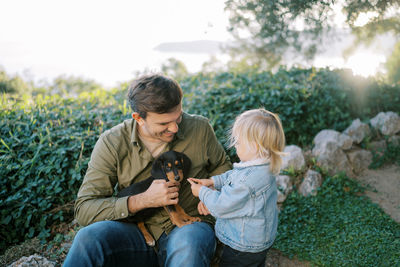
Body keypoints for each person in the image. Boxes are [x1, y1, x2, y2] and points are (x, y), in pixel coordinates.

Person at [63, 73, 232, 267]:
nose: (175, 128)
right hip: (134, 233)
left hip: (190, 226)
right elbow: (84, 209)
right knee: (88, 238)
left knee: (188, 245)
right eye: (163, 123)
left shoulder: (199, 128)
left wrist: (214, 191)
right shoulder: (112, 142)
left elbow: (222, 166)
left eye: (177, 118)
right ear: (138, 118)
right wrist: (141, 201)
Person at [188, 108, 285, 267]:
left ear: (254, 146)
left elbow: (221, 205)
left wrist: (202, 193)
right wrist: (213, 182)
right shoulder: (259, 168)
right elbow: (233, 176)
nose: (235, 146)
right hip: (256, 241)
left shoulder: (249, 180)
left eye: (239, 142)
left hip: (242, 247)